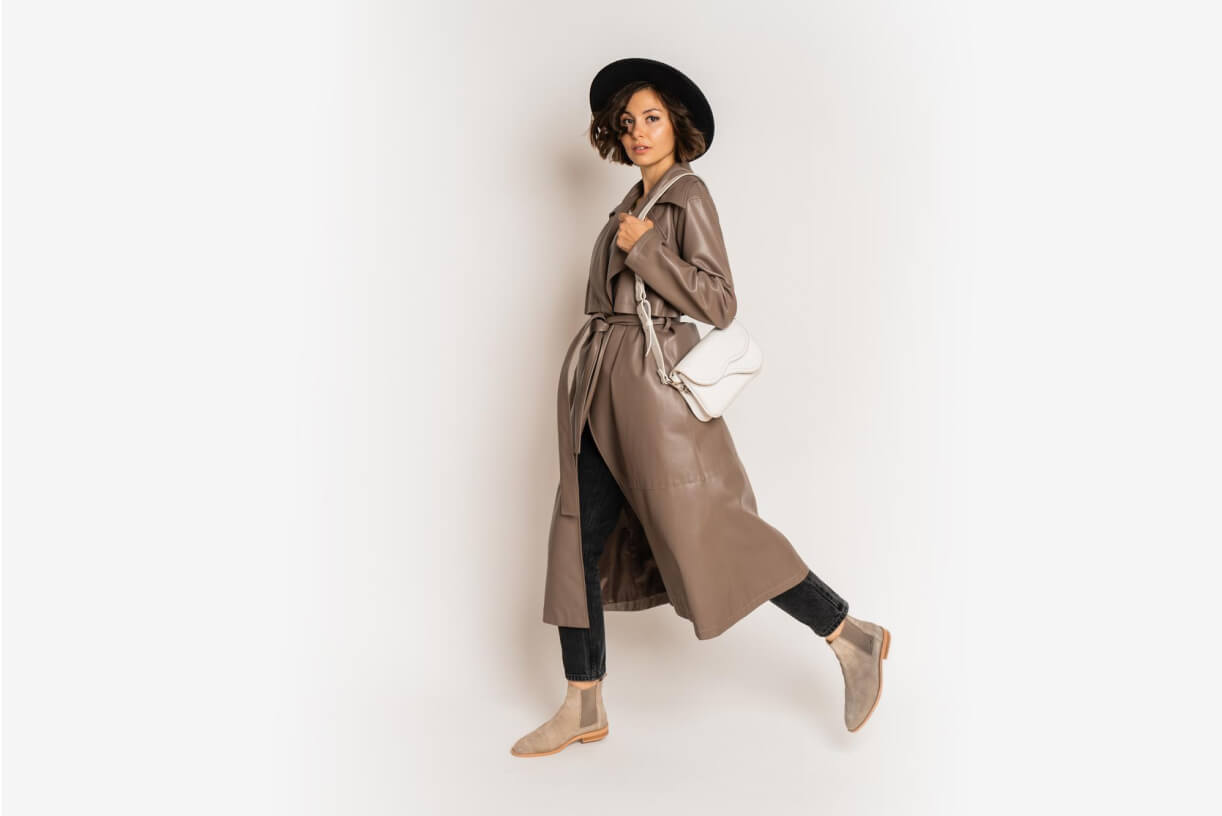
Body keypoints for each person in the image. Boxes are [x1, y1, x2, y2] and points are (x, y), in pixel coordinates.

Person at [511, 58, 892, 758]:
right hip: (601, 389)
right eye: (628, 122)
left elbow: (719, 302)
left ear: (676, 127)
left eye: (652, 119)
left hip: (655, 400)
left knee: (717, 532)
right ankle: (582, 700)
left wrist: (649, 252)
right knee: (575, 537)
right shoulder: (632, 201)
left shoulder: (687, 196)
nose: (638, 132)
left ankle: (849, 635)